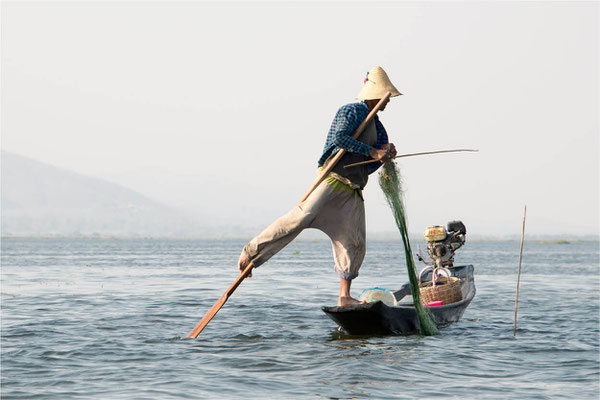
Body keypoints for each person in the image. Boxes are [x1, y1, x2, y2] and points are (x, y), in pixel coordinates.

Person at [237, 66, 402, 306]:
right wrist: (372, 150)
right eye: (386, 97)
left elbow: (370, 164)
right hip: (333, 179)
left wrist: (384, 155)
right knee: (298, 220)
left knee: (354, 243)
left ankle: (344, 297)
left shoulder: (379, 128)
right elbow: (340, 138)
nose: (388, 102)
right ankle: (250, 254)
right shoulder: (352, 111)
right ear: (374, 94)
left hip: (353, 189)